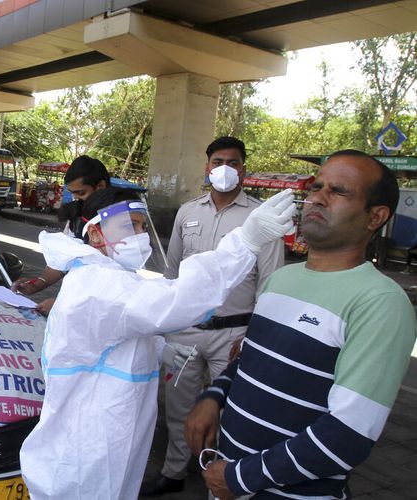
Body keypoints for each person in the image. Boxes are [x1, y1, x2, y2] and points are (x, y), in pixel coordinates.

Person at [20, 185, 296, 500]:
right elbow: (179, 298)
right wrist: (244, 243)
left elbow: (113, 338)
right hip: (89, 445)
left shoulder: (99, 275)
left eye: (141, 225)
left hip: (98, 433)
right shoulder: (100, 285)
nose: (141, 235)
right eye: (129, 226)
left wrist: (159, 349)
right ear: (95, 235)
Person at [185, 150, 417, 500]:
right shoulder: (282, 279)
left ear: (376, 217)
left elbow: (348, 434)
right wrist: (214, 396)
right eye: (317, 186)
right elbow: (252, 359)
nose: (317, 198)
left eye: (339, 192)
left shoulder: (379, 302)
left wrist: (241, 477)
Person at [141, 136, 285, 496]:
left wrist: (252, 337)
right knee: (177, 405)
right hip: (187, 331)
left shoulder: (260, 218)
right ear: (207, 167)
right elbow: (172, 272)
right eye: (217, 161)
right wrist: (167, 325)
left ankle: (218, 482)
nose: (224, 169)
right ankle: (173, 472)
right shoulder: (187, 212)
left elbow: (270, 284)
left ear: (243, 169)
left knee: (227, 413)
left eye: (233, 162)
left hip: (234, 334)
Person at [11, 155, 111, 315]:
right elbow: (63, 260)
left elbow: (113, 285)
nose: (76, 199)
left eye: (81, 193)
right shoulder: (77, 220)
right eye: (73, 194)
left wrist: (63, 305)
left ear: (100, 186)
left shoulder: (120, 222)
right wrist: (36, 285)